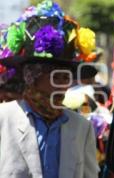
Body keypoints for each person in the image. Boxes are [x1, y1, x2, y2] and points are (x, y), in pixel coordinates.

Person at [0, 1, 99, 177]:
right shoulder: (4, 119)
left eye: (66, 78)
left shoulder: (81, 127)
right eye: (56, 77)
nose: (63, 85)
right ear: (32, 77)